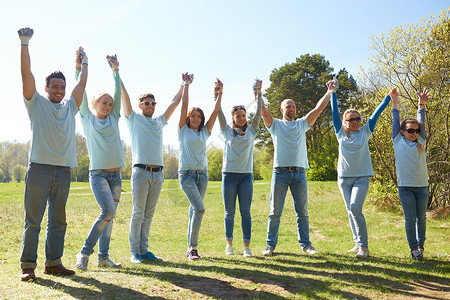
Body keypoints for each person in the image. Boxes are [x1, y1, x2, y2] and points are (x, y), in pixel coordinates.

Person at [18, 27, 87, 281]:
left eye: (62, 87)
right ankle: (28, 267)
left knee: (58, 220)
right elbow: (26, 74)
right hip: (39, 169)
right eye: (55, 86)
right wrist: (25, 44)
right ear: (46, 88)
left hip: (63, 170)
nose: (59, 90)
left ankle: (53, 263)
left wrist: (84, 63)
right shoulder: (36, 103)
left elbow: (81, 84)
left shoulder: (70, 107)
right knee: (33, 220)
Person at [261, 80, 336, 256]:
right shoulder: (276, 125)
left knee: (302, 211)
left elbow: (318, 109)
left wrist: (329, 91)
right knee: (274, 212)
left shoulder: (302, 124)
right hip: (280, 173)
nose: (292, 109)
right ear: (282, 110)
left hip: (299, 174)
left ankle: (306, 245)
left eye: (293, 106)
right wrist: (258, 93)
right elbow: (264, 112)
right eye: (288, 106)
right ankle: (269, 245)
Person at [122, 71, 184, 264]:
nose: (150, 106)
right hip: (140, 172)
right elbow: (124, 96)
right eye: (146, 103)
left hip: (158, 174)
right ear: (140, 105)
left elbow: (174, 103)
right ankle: (134, 253)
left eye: (153, 103)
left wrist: (183, 84)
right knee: (138, 212)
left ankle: (144, 250)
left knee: (148, 214)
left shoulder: (159, 121)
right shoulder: (134, 119)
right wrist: (116, 72)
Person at [330, 80, 393, 258]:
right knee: (350, 210)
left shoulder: (366, 131)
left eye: (358, 119)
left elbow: (376, 114)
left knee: (355, 208)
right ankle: (357, 242)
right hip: (344, 179)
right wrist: (333, 93)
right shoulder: (340, 132)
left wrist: (388, 97)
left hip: (361, 178)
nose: (356, 122)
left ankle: (364, 247)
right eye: (352, 119)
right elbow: (334, 113)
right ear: (345, 122)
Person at [75, 55, 125, 271]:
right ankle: (85, 252)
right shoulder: (87, 117)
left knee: (110, 217)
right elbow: (81, 92)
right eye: (104, 102)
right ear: (95, 104)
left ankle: (103, 257)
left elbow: (118, 95)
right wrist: (79, 68)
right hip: (99, 174)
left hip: (116, 175)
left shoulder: (114, 117)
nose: (108, 105)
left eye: (110, 103)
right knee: (107, 212)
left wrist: (115, 71)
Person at [178, 75, 222, 260]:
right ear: (188, 118)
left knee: (193, 210)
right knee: (200, 209)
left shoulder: (205, 132)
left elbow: (215, 111)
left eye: (199, 116)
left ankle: (189, 247)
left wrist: (219, 92)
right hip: (186, 175)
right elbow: (183, 105)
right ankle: (192, 248)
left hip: (203, 176)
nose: (196, 118)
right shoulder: (183, 130)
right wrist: (186, 85)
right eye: (193, 116)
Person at [217, 78, 262, 257]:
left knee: (245, 212)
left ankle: (246, 246)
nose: (242, 118)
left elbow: (259, 112)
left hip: (245, 178)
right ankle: (229, 244)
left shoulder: (252, 130)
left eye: (244, 115)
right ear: (233, 118)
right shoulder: (226, 131)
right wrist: (218, 93)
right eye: (238, 116)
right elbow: (218, 111)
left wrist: (258, 93)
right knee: (229, 213)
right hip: (228, 176)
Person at [391, 88, 431, 260]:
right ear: (402, 132)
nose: (414, 133)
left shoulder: (420, 142)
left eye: (416, 130)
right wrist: (394, 102)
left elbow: (421, 121)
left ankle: (421, 246)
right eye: (410, 130)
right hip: (405, 187)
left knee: (421, 218)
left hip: (422, 186)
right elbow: (396, 119)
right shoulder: (398, 140)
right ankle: (413, 248)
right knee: (410, 218)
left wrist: (421, 104)